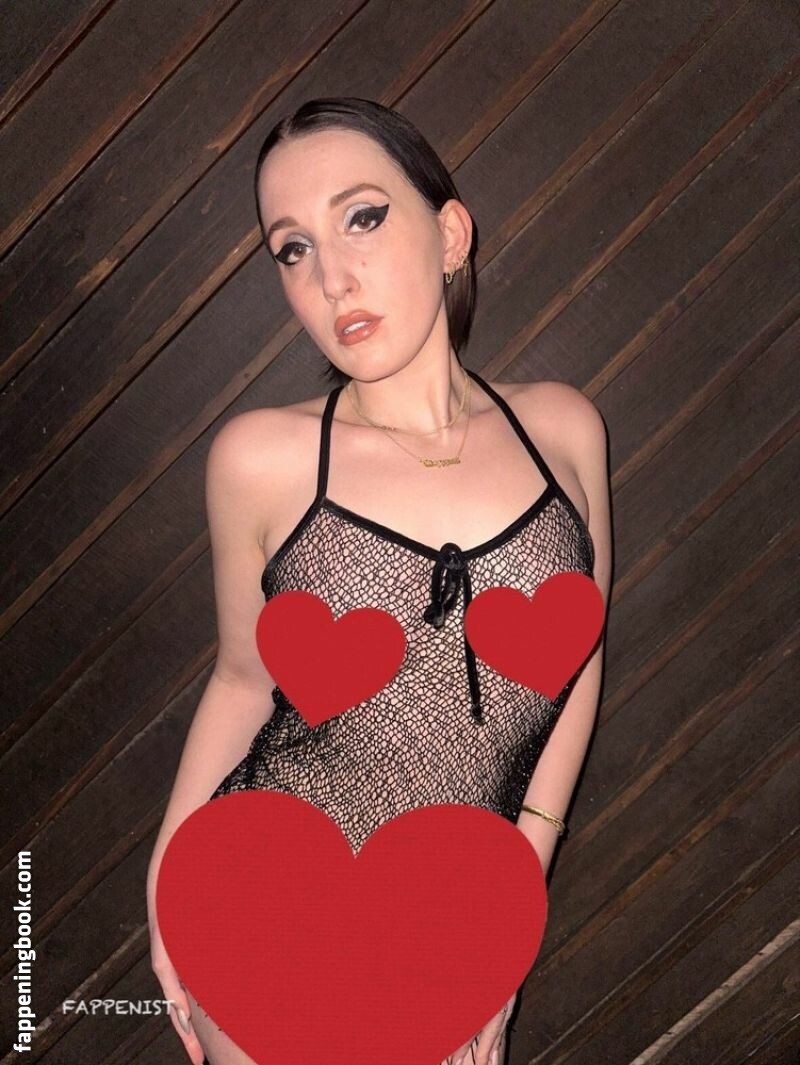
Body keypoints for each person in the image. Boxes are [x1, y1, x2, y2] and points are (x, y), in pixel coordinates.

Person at [147, 97, 611, 1065]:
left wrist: (507, 921)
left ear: (450, 234)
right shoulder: (261, 459)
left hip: (449, 918)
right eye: (292, 249)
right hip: (258, 894)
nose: (332, 278)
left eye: (360, 217)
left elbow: (579, 663)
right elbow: (242, 679)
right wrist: (163, 887)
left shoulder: (563, 430)